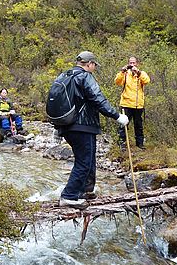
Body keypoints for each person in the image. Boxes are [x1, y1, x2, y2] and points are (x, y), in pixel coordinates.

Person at [57, 51, 129, 208]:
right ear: (89, 64)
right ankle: (68, 196)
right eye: (94, 65)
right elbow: (98, 99)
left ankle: (85, 191)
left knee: (87, 159)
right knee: (84, 161)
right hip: (83, 125)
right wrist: (117, 116)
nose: (94, 68)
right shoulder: (85, 76)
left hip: (67, 125)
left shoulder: (65, 75)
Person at [114, 56, 151, 150]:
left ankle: (140, 144)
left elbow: (146, 81)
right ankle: (121, 144)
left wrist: (138, 73)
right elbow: (117, 82)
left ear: (137, 63)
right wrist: (122, 72)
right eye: (130, 63)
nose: (132, 65)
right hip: (126, 103)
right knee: (123, 124)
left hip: (138, 105)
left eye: (134, 63)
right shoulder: (125, 74)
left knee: (138, 125)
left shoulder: (141, 73)